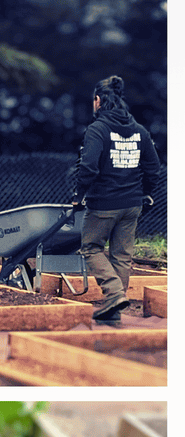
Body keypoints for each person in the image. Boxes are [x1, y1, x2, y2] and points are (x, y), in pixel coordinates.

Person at [71, 75, 161, 324]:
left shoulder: (98, 129)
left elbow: (88, 167)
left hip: (104, 204)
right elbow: (154, 167)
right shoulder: (139, 130)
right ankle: (114, 307)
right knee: (121, 256)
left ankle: (113, 293)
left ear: (98, 100)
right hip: (132, 204)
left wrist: (78, 196)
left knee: (91, 248)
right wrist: (147, 192)